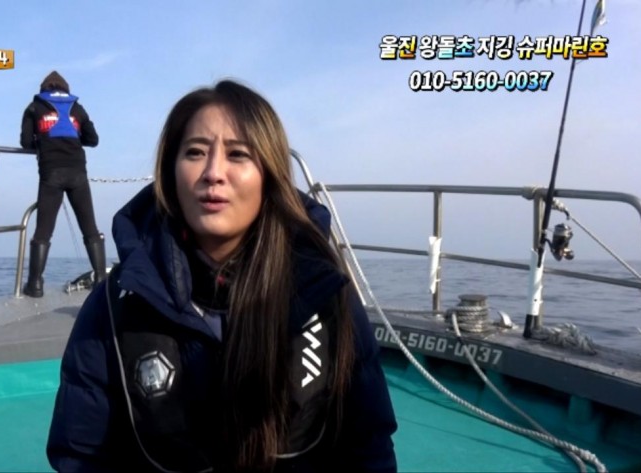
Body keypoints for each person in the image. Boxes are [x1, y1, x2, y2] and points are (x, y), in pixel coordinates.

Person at [46, 79, 397, 472]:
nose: (213, 173)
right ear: (170, 173)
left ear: (269, 175)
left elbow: (367, 447)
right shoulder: (113, 308)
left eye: (238, 154)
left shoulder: (327, 296)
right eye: (195, 152)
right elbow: (82, 456)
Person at [20, 71, 108, 297]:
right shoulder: (77, 107)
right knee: (89, 227)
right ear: (65, 88)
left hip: (51, 173)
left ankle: (35, 285)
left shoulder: (34, 107)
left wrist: (42, 142)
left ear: (44, 88)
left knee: (43, 231)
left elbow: (25, 142)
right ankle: (100, 279)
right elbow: (93, 140)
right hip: (78, 173)